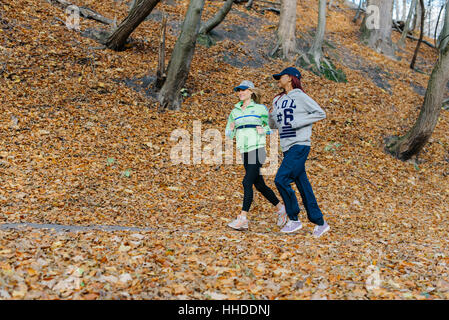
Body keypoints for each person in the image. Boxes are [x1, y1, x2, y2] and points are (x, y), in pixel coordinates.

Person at [268, 67, 330, 238]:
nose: (278, 80)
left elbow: (320, 113)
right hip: (287, 146)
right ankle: (320, 222)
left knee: (281, 179)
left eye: (281, 77)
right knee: (303, 185)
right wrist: (270, 116)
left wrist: (298, 122)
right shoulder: (277, 99)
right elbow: (274, 126)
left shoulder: (301, 96)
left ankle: (294, 218)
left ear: (290, 78)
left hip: (300, 144)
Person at [225, 80, 286, 231]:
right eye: (238, 90)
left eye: (243, 90)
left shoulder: (260, 109)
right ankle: (282, 209)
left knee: (247, 182)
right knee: (259, 184)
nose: (240, 92)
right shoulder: (235, 111)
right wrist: (231, 129)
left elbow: (271, 126)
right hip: (244, 150)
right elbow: (228, 133)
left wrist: (264, 129)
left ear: (251, 91)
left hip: (257, 149)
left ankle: (243, 218)